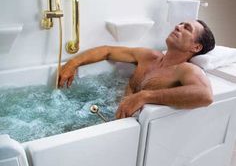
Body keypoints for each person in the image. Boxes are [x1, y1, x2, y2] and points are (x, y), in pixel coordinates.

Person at [58, 19, 215, 119]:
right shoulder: (149, 56)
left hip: (131, 131)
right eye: (180, 23)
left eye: (186, 28)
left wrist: (144, 96)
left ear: (196, 46)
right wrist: (72, 63)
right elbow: (107, 51)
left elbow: (205, 95)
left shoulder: (185, 69)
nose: (178, 26)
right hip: (107, 115)